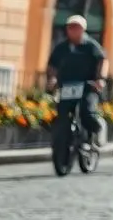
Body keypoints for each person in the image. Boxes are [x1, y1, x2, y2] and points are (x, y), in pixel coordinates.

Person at [45, 16, 108, 146]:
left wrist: (100, 79)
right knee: (62, 113)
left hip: (87, 85)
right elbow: (52, 65)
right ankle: (63, 144)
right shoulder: (61, 47)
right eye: (70, 27)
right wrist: (52, 78)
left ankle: (97, 129)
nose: (73, 30)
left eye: (76, 27)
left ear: (83, 29)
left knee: (87, 113)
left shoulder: (91, 45)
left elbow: (103, 60)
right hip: (67, 86)